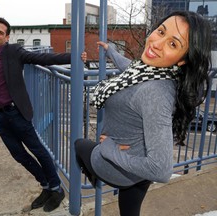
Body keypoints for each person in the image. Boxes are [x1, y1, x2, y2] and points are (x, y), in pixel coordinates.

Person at [0, 4, 87, 213]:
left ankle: (57, 189)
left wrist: (74, 57)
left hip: (17, 114)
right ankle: (46, 186)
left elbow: (43, 58)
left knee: (38, 151)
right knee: (18, 155)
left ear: (7, 37)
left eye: (0, 33)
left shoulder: (14, 52)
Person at [75, 10, 212, 216]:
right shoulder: (156, 72)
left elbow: (162, 170)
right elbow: (132, 69)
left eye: (173, 44)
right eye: (161, 31)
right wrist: (111, 51)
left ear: (182, 59)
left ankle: (96, 177)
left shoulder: (154, 93)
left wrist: (109, 149)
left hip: (118, 166)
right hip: (139, 169)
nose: (157, 43)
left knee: (79, 145)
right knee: (130, 212)